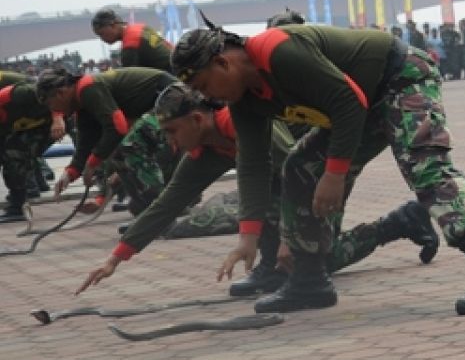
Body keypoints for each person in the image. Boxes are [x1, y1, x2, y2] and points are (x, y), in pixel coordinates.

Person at [170, 21, 465, 315]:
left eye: (204, 86)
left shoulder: (278, 51)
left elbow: (348, 101)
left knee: (424, 164)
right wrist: (248, 238)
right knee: (300, 167)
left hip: (399, 77)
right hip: (358, 104)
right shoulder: (243, 98)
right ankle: (310, 281)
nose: (210, 97)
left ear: (223, 63)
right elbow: (251, 165)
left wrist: (335, 174)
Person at [75, 83, 438, 297]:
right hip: (288, 183)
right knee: (268, 211)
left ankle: (402, 221)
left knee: (316, 260)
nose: (169, 141)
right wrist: (115, 259)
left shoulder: (239, 123)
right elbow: (167, 205)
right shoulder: (204, 150)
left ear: (198, 120)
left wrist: (292, 238)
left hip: (326, 171)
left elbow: (295, 172)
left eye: (172, 131)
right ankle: (271, 267)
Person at [36, 66, 178, 215]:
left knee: (130, 147)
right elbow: (86, 145)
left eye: (49, 104)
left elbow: (117, 128)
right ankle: (153, 206)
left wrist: (92, 164)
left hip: (172, 96)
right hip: (162, 103)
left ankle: (158, 211)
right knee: (120, 154)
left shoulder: (88, 88)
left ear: (60, 93)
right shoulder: (82, 105)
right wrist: (70, 173)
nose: (52, 110)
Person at [0, 78, 66, 222]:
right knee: (13, 154)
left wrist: (57, 118)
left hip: (58, 119)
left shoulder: (14, 95)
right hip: (32, 124)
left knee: (15, 154)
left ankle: (19, 204)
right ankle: (20, 198)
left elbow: (52, 93)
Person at [91, 9, 173, 72]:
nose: (102, 39)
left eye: (102, 34)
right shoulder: (140, 27)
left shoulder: (130, 45)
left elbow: (130, 80)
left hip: (171, 74)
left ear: (113, 25)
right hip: (177, 62)